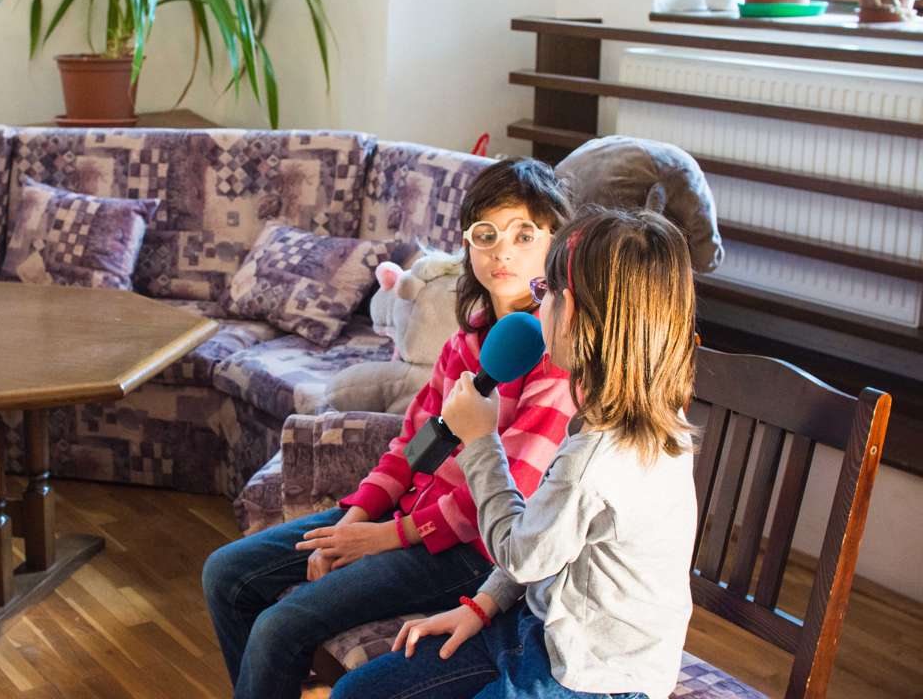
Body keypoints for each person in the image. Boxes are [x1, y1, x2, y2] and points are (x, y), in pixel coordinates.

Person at [202, 159, 578, 699]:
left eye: (524, 235)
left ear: (555, 245)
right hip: (405, 520)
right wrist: (353, 521)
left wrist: (382, 539)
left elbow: (506, 493)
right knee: (225, 573)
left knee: (279, 626)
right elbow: (411, 445)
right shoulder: (464, 342)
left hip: (470, 552)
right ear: (468, 243)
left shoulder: (553, 360)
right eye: (487, 234)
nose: (503, 252)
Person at [331, 208, 700, 699]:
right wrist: (483, 604)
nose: (537, 306)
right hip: (540, 627)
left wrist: (481, 440)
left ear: (574, 313)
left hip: (591, 676)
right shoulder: (620, 416)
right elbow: (544, 537)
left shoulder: (597, 460)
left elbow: (521, 554)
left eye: (545, 293)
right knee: (357, 692)